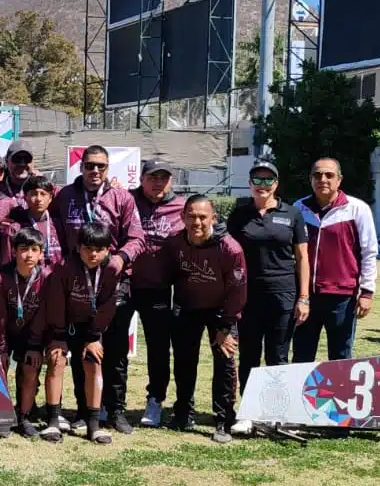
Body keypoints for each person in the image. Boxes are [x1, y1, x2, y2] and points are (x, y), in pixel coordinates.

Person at [49, 144, 146, 434]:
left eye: (101, 166)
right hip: (76, 283)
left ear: (108, 169)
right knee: (80, 348)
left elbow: (137, 237)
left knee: (115, 350)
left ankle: (115, 411)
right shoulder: (65, 196)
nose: (95, 171)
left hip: (113, 281)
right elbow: (52, 231)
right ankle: (84, 410)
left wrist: (121, 258)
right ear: (81, 166)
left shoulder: (121, 197)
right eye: (90, 165)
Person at [226, 159, 310, 434]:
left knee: (278, 356)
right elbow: (228, 254)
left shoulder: (293, 213)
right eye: (257, 180)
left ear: (276, 184)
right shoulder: (239, 214)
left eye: (268, 180)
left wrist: (304, 297)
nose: (262, 185)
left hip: (283, 294)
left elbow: (302, 257)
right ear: (250, 183)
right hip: (248, 296)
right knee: (249, 355)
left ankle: (277, 413)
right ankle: (249, 412)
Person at [162, 195, 248, 444]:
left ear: (213, 218)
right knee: (184, 363)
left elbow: (238, 291)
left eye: (202, 217)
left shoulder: (230, 249)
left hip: (222, 313)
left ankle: (223, 419)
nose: (196, 222)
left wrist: (225, 327)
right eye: (191, 216)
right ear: (182, 218)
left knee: (225, 363)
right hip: (188, 309)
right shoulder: (175, 243)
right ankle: (183, 413)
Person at [292, 157, 378, 363]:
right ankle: (301, 396)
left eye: (329, 175)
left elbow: (369, 252)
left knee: (340, 359)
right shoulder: (298, 208)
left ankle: (340, 396)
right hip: (306, 297)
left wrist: (367, 292)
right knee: (301, 357)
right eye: (317, 175)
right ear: (310, 179)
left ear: (339, 180)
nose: (323, 179)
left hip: (342, 298)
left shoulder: (357, 209)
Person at [42, 221, 120, 445]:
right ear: (78, 248)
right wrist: (58, 335)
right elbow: (56, 302)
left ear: (107, 250)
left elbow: (108, 305)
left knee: (93, 361)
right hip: (64, 326)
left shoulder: (111, 270)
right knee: (56, 360)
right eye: (87, 248)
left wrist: (94, 337)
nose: (93, 254)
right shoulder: (65, 267)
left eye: (98, 249)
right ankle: (53, 420)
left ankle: (93, 424)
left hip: (91, 328)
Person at [129, 160, 186, 429]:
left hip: (161, 288)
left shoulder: (183, 207)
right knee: (115, 344)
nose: (158, 182)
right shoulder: (127, 200)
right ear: (142, 178)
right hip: (126, 283)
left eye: (164, 177)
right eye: (153, 177)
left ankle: (155, 399)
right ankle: (110, 400)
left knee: (158, 348)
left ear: (171, 180)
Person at [0, 227, 52, 438]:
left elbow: (43, 315)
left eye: (34, 249)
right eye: (23, 249)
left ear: (41, 253)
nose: (29, 255)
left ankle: (24, 415)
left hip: (31, 335)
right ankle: (1, 414)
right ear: (14, 251)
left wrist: (35, 346)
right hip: (6, 333)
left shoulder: (46, 278)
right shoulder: (2, 277)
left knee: (30, 367)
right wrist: (1, 348)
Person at [0, 176, 61, 268]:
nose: (38, 199)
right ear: (25, 197)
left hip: (55, 279)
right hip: (27, 281)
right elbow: (7, 266)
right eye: (34, 194)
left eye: (43, 194)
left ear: (50, 198)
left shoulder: (59, 225)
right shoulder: (14, 229)